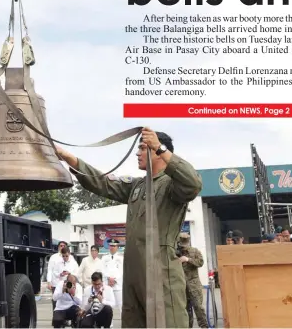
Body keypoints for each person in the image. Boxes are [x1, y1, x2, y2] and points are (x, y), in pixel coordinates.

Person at [55, 127, 203, 328]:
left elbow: (193, 183)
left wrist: (159, 147)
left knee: (168, 323)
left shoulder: (171, 185)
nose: (137, 153)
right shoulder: (138, 186)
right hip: (133, 270)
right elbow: (102, 183)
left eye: (143, 148)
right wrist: (66, 156)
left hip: (160, 269)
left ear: (158, 151)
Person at [177, 232, 208, 328]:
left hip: (193, 285)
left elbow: (200, 262)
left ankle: (204, 327)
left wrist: (188, 259)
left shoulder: (195, 251)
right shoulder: (175, 252)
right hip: (181, 285)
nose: (183, 247)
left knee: (198, 308)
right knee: (185, 310)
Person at [47, 242, 77, 310]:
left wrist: (69, 273)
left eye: (64, 246)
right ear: (58, 247)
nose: (62, 247)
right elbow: (50, 270)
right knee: (56, 301)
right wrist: (49, 282)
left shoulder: (71, 258)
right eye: (61, 246)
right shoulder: (53, 257)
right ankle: (56, 317)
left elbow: (76, 270)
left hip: (68, 283)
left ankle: (66, 317)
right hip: (56, 283)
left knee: (68, 301)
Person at [102, 239, 123, 309]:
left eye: (114, 246)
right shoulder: (104, 258)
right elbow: (101, 270)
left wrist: (115, 280)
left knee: (121, 306)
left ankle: (122, 320)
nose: (112, 247)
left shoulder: (121, 258)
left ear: (117, 247)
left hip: (118, 286)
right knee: (107, 306)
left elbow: (122, 271)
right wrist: (108, 278)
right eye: (111, 246)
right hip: (107, 285)